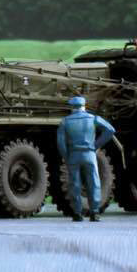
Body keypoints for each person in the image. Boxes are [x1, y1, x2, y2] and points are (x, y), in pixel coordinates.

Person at [56, 94, 117, 223]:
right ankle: (95, 213)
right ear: (84, 106)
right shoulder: (93, 118)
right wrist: (95, 145)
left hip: (73, 155)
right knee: (94, 182)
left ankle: (77, 213)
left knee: (75, 184)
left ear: (72, 107)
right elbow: (110, 130)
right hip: (89, 154)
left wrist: (67, 157)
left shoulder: (65, 121)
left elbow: (60, 143)